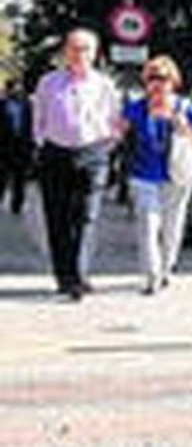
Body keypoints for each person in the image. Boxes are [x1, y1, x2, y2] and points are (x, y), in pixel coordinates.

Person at [33, 28, 124, 300]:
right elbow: (39, 118)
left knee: (87, 215)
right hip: (55, 154)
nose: (79, 54)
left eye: (85, 49)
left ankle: (79, 274)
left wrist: (107, 146)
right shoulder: (48, 82)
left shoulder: (104, 85)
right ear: (65, 52)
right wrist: (41, 142)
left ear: (94, 54)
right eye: (74, 48)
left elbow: (114, 120)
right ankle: (64, 276)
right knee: (58, 217)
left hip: (93, 153)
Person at [122, 55, 192, 295]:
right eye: (151, 78)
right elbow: (118, 134)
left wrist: (182, 126)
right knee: (147, 225)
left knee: (172, 227)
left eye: (163, 78)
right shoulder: (136, 108)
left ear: (173, 81)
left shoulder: (186, 108)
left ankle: (167, 268)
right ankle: (152, 276)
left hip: (176, 177)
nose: (157, 83)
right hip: (143, 175)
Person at [0, 79, 33, 214]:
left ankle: (17, 205)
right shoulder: (1, 105)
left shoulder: (28, 105)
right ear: (7, 90)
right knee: (1, 177)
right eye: (13, 89)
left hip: (22, 147)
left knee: (20, 179)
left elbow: (32, 126)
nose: (17, 91)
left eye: (19, 89)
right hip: (3, 148)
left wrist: (32, 146)